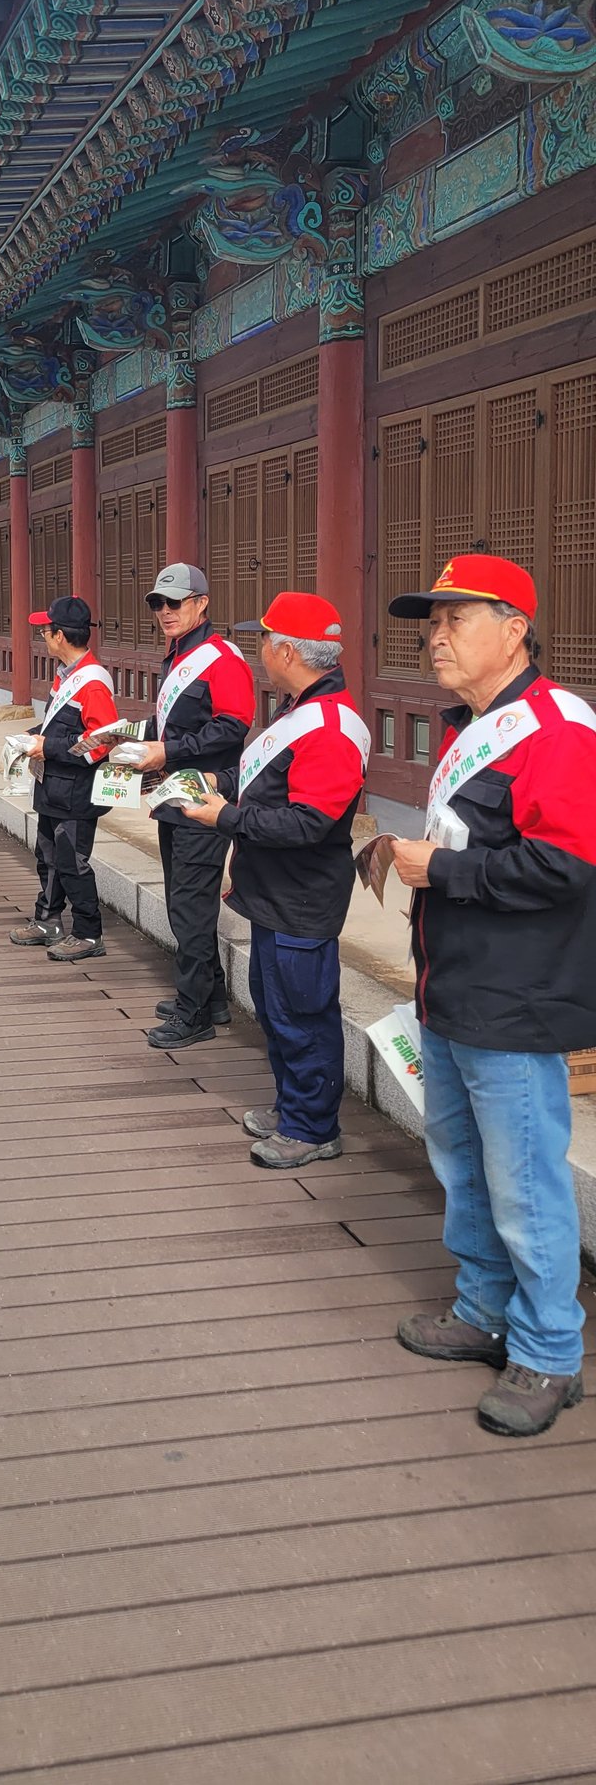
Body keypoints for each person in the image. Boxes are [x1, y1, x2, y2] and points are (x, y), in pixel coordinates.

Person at [386, 553, 594, 1437]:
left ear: (515, 630)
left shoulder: (555, 727)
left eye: (456, 619)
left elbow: (564, 864)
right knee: (462, 1163)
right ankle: (483, 1309)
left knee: (523, 1181)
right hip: (452, 985)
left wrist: (441, 869)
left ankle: (549, 1350)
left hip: (515, 997)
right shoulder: (473, 724)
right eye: (431, 622)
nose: (436, 637)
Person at [175, 593, 370, 1169]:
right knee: (275, 1007)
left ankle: (313, 1127)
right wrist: (217, 785)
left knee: (302, 1013)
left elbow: (309, 824)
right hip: (274, 891)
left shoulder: (330, 726)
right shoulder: (300, 707)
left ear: (287, 651)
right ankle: (293, 1107)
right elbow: (266, 781)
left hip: (301, 896)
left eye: (263, 640)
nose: (258, 651)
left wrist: (226, 818)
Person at [133, 563, 255, 1048]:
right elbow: (175, 725)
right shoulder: (179, 653)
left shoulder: (220, 657)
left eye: (175, 602)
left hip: (206, 796)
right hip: (174, 793)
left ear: (201, 603)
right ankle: (212, 996)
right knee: (183, 901)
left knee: (190, 906)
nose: (165, 611)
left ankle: (194, 1012)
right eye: (158, 604)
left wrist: (169, 751)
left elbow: (233, 725)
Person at [9, 596, 118, 961]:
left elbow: (101, 743)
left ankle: (88, 933)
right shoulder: (66, 674)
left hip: (76, 792)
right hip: (52, 786)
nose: (42, 636)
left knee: (72, 862)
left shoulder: (92, 682)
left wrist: (49, 746)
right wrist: (31, 737)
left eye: (45, 630)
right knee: (47, 856)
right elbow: (58, 725)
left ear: (59, 635)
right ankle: (48, 920)